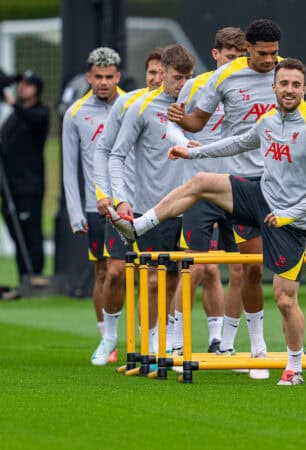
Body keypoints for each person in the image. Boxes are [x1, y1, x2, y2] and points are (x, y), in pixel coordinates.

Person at [167, 19, 306, 378]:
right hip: (244, 183)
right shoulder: (221, 78)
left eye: (273, 53)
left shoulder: (285, 71)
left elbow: (299, 107)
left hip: (285, 178)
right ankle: (255, 350)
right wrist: (183, 125)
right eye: (262, 54)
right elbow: (199, 123)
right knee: (244, 269)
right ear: (242, 52)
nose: (270, 60)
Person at [110, 58, 306, 386]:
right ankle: (138, 225)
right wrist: (193, 153)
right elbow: (238, 142)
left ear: (305, 89)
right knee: (202, 180)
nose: (288, 90)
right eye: (283, 84)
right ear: (274, 87)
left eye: (295, 85)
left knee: (286, 298)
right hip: (259, 198)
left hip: (290, 221)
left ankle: (294, 366)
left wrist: (291, 214)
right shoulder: (269, 120)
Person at [108, 44, 195, 356]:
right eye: (176, 77)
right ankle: (152, 345)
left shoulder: (200, 107)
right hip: (153, 209)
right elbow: (116, 155)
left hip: (191, 210)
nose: (182, 84)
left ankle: (170, 344)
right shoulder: (141, 108)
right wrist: (121, 199)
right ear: (163, 75)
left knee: (178, 280)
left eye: (187, 77)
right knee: (154, 282)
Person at [165, 28, 247, 358]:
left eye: (241, 57)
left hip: (239, 186)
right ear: (215, 56)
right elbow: (171, 122)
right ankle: (175, 339)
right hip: (200, 185)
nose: (235, 63)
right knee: (196, 266)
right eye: (230, 57)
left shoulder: (255, 85)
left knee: (242, 269)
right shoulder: (197, 86)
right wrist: (186, 143)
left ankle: (224, 343)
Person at [88, 48, 164, 365]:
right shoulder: (127, 102)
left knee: (155, 278)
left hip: (161, 205)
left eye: (163, 74)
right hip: (123, 204)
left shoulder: (184, 107)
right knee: (115, 272)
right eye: (152, 73)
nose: (157, 79)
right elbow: (102, 151)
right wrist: (105, 193)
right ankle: (110, 338)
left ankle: (153, 342)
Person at [62, 47, 123, 356]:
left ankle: (149, 339)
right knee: (103, 273)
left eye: (109, 77)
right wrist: (75, 213)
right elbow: (68, 167)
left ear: (118, 76)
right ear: (88, 77)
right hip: (94, 207)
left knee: (131, 272)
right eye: (97, 77)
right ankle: (107, 340)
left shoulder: (132, 106)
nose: (103, 82)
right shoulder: (75, 113)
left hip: (131, 204)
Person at [0, 70, 48, 285]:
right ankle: (24, 277)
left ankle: (34, 274)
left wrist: (12, 103)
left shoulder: (39, 113)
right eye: (21, 84)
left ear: (36, 90)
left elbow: (29, 117)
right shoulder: (13, 116)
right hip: (9, 186)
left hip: (29, 186)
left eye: (28, 85)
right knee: (16, 233)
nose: (22, 88)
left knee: (30, 232)